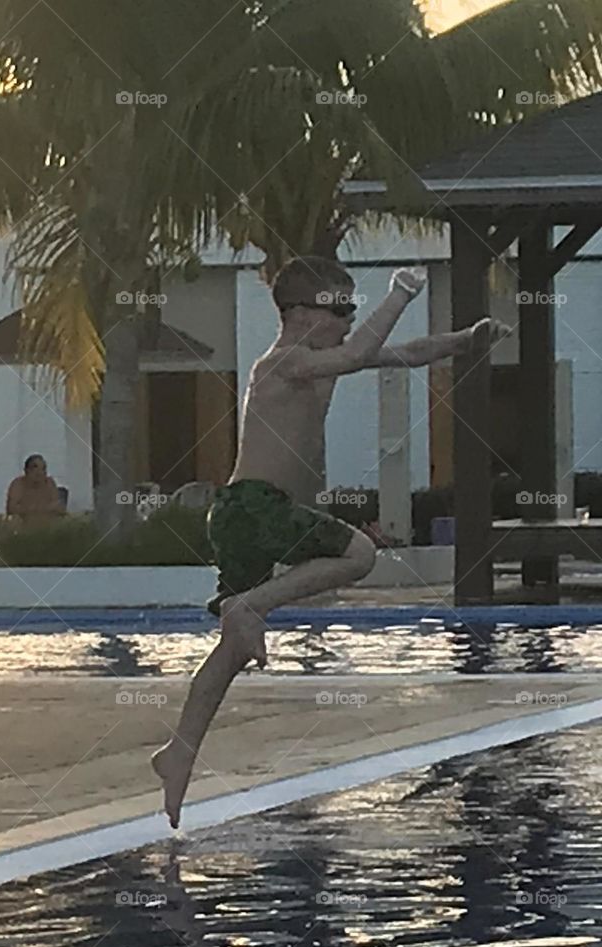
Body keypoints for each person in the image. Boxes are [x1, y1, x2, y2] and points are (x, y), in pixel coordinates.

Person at [152, 255, 511, 828]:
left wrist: (466, 340)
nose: (348, 318)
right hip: (253, 507)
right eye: (340, 308)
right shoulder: (284, 362)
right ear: (299, 314)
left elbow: (404, 353)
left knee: (237, 648)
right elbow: (351, 353)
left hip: (248, 516)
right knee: (359, 553)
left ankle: (179, 754)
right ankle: (250, 604)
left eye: (352, 309)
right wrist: (397, 294)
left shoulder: (316, 362)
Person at [5, 454, 65, 523]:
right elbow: (11, 508)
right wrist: (41, 509)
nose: (40, 472)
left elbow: (58, 507)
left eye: (43, 469)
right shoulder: (18, 484)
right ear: (26, 471)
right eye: (35, 468)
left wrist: (36, 509)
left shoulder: (49, 483)